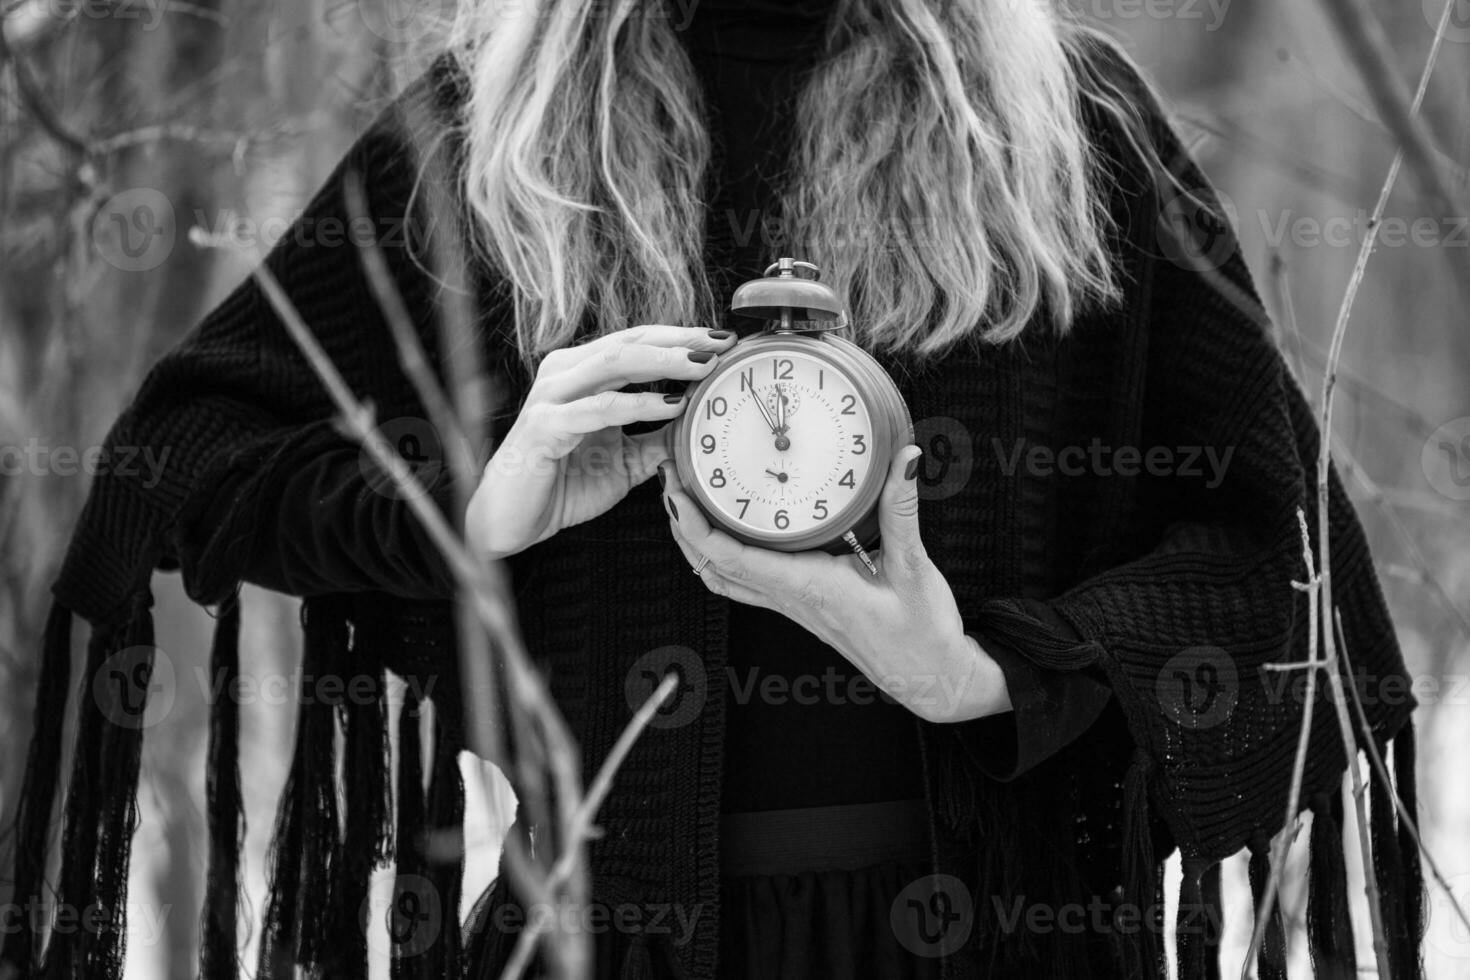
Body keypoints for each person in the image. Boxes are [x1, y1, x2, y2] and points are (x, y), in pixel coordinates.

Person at [4, 1, 1425, 978]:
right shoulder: (487, 133)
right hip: (595, 938)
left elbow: (1292, 572)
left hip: (1009, 938)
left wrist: (985, 673)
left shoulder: (1067, 124)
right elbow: (178, 455)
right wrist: (467, 504)